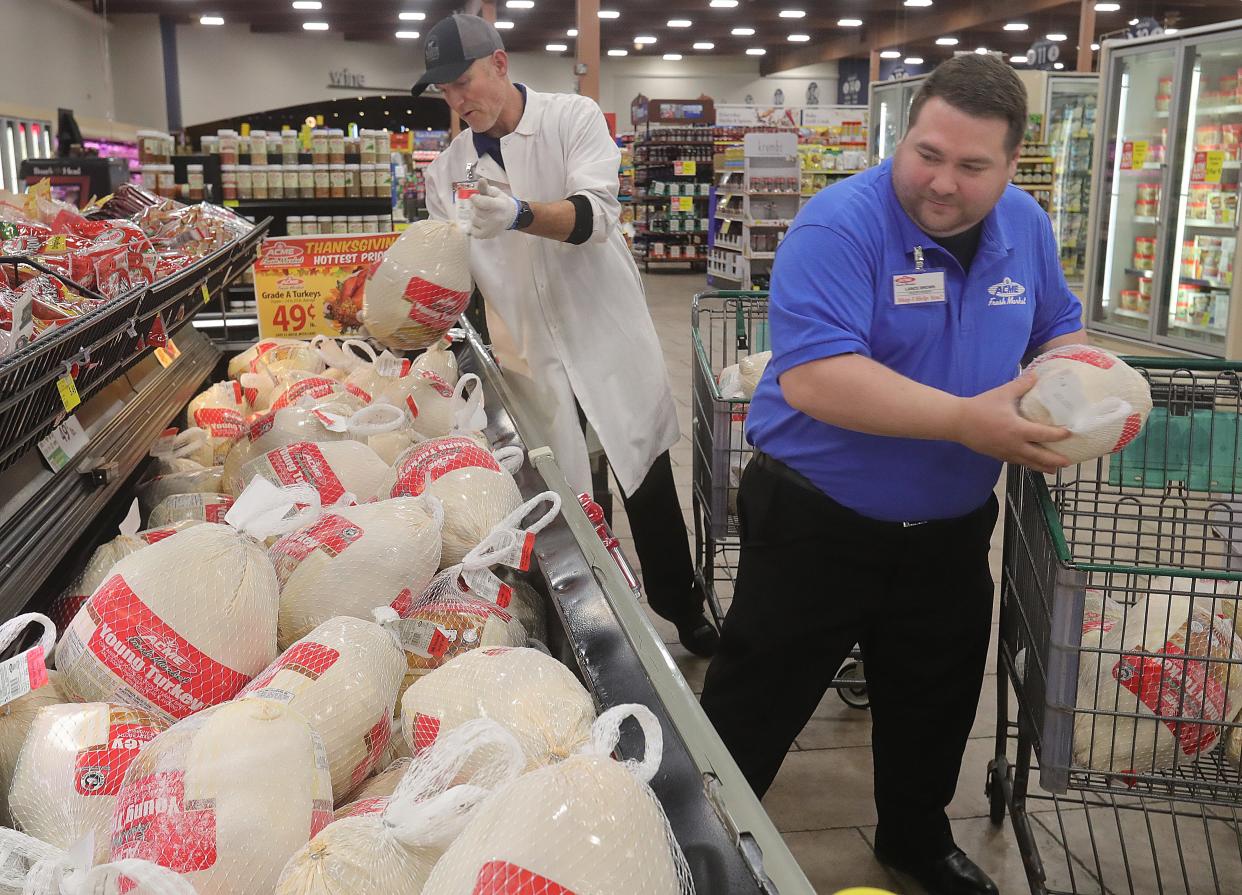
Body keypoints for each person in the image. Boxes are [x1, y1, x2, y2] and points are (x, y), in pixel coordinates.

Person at [699, 55, 1085, 895]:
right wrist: (964, 419)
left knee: (935, 700)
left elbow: (1058, 326)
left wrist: (1084, 384)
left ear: (1012, 163)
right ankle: (702, 843)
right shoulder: (839, 226)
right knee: (756, 700)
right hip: (816, 522)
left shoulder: (1026, 227)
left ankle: (913, 836)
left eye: (972, 165)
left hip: (949, 527)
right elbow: (815, 375)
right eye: (927, 153)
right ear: (902, 135)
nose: (942, 182)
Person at [412, 14, 719, 656]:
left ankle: (681, 607)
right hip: (529, 350)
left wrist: (519, 214)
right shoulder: (447, 173)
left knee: (646, 479)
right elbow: (452, 272)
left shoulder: (570, 119)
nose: (458, 101)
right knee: (571, 498)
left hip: (605, 339)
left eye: (464, 81)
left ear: (499, 63)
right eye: (444, 91)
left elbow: (596, 217)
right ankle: (602, 630)